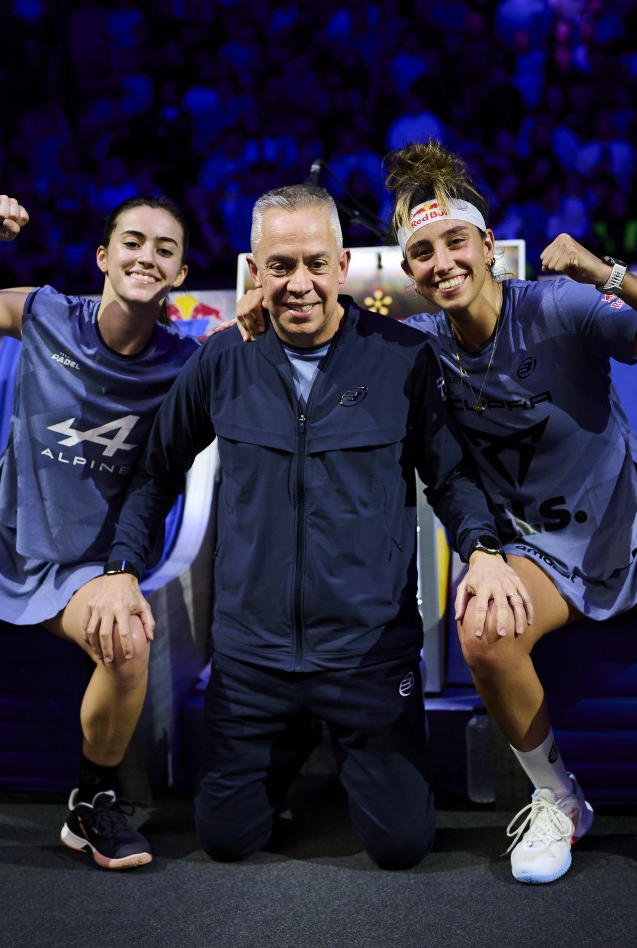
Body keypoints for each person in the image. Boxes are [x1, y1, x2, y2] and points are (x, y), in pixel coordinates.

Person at [104, 183, 532, 870]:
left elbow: (451, 478)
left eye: (313, 263)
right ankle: (292, 738)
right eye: (279, 267)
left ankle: (332, 738)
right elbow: (154, 474)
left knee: (401, 848)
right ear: (254, 271)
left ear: (341, 265)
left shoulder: (402, 357)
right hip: (252, 659)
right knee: (225, 841)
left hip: (367, 656)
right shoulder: (222, 359)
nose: (298, 283)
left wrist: (484, 550)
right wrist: (124, 569)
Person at [383, 139, 637, 892]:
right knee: (482, 633)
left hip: (634, 524)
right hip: (535, 547)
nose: (442, 262)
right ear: (408, 273)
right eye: (422, 252)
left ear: (489, 247)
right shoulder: (419, 350)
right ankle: (557, 799)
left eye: (456, 242)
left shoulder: (557, 305)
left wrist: (607, 271)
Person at [0, 192, 197, 888]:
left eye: (165, 249)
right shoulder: (46, 313)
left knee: (128, 645)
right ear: (104, 258)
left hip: (82, 561)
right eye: (132, 242)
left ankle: (91, 802)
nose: (147, 255)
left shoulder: (185, 363)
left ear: (179, 275)